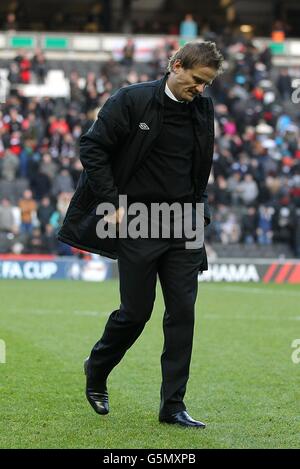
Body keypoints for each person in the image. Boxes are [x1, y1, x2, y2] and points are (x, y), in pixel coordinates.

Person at [58, 41, 223, 428]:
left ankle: (172, 406)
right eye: (197, 80)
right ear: (177, 66)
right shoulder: (131, 100)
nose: (200, 89)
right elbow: (92, 147)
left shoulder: (203, 106)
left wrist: (200, 214)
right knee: (136, 312)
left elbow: (200, 166)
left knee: (182, 313)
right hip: (138, 220)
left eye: (207, 84)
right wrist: (112, 201)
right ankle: (97, 367)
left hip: (184, 221)